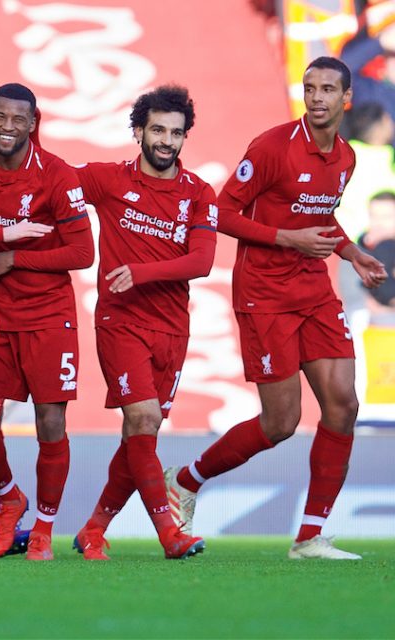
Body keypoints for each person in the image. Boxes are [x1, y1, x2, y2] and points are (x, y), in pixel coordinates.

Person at [164, 58, 388, 560]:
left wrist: (351, 253)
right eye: (310, 88)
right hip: (264, 295)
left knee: (344, 405)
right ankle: (184, 481)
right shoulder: (271, 147)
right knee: (281, 422)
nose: (317, 97)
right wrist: (286, 239)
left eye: (328, 89)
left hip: (314, 291)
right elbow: (217, 212)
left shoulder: (346, 158)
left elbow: (318, 212)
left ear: (346, 98)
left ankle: (310, 538)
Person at [72, 85, 216, 561]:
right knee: (143, 418)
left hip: (173, 328)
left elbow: (202, 261)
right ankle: (169, 535)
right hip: (120, 320)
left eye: (176, 133)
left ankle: (93, 528)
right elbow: (51, 186)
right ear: (138, 132)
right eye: (158, 130)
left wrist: (143, 272)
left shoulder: (198, 193)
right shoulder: (108, 180)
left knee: (140, 435)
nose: (167, 141)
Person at [0, 82, 94, 561]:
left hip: (47, 315)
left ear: (34, 123)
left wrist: (13, 259)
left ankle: (44, 527)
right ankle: (10, 495)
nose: (7, 127)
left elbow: (83, 252)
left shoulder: (57, 176)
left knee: (50, 423)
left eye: (18, 119)